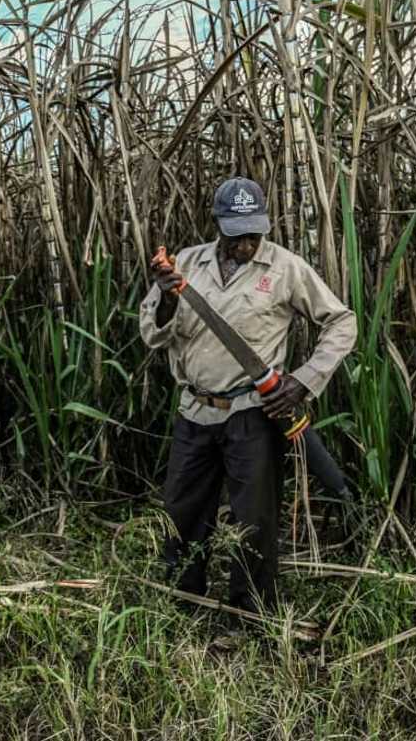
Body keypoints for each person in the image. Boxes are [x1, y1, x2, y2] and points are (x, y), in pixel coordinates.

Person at [139, 177, 358, 613]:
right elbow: (152, 333)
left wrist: (304, 379)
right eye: (238, 235)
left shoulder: (285, 268)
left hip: (253, 415)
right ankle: (182, 602)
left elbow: (341, 321)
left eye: (255, 234)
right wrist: (166, 296)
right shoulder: (186, 263)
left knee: (253, 522)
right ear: (219, 226)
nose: (247, 245)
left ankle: (248, 612)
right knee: (181, 512)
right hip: (195, 411)